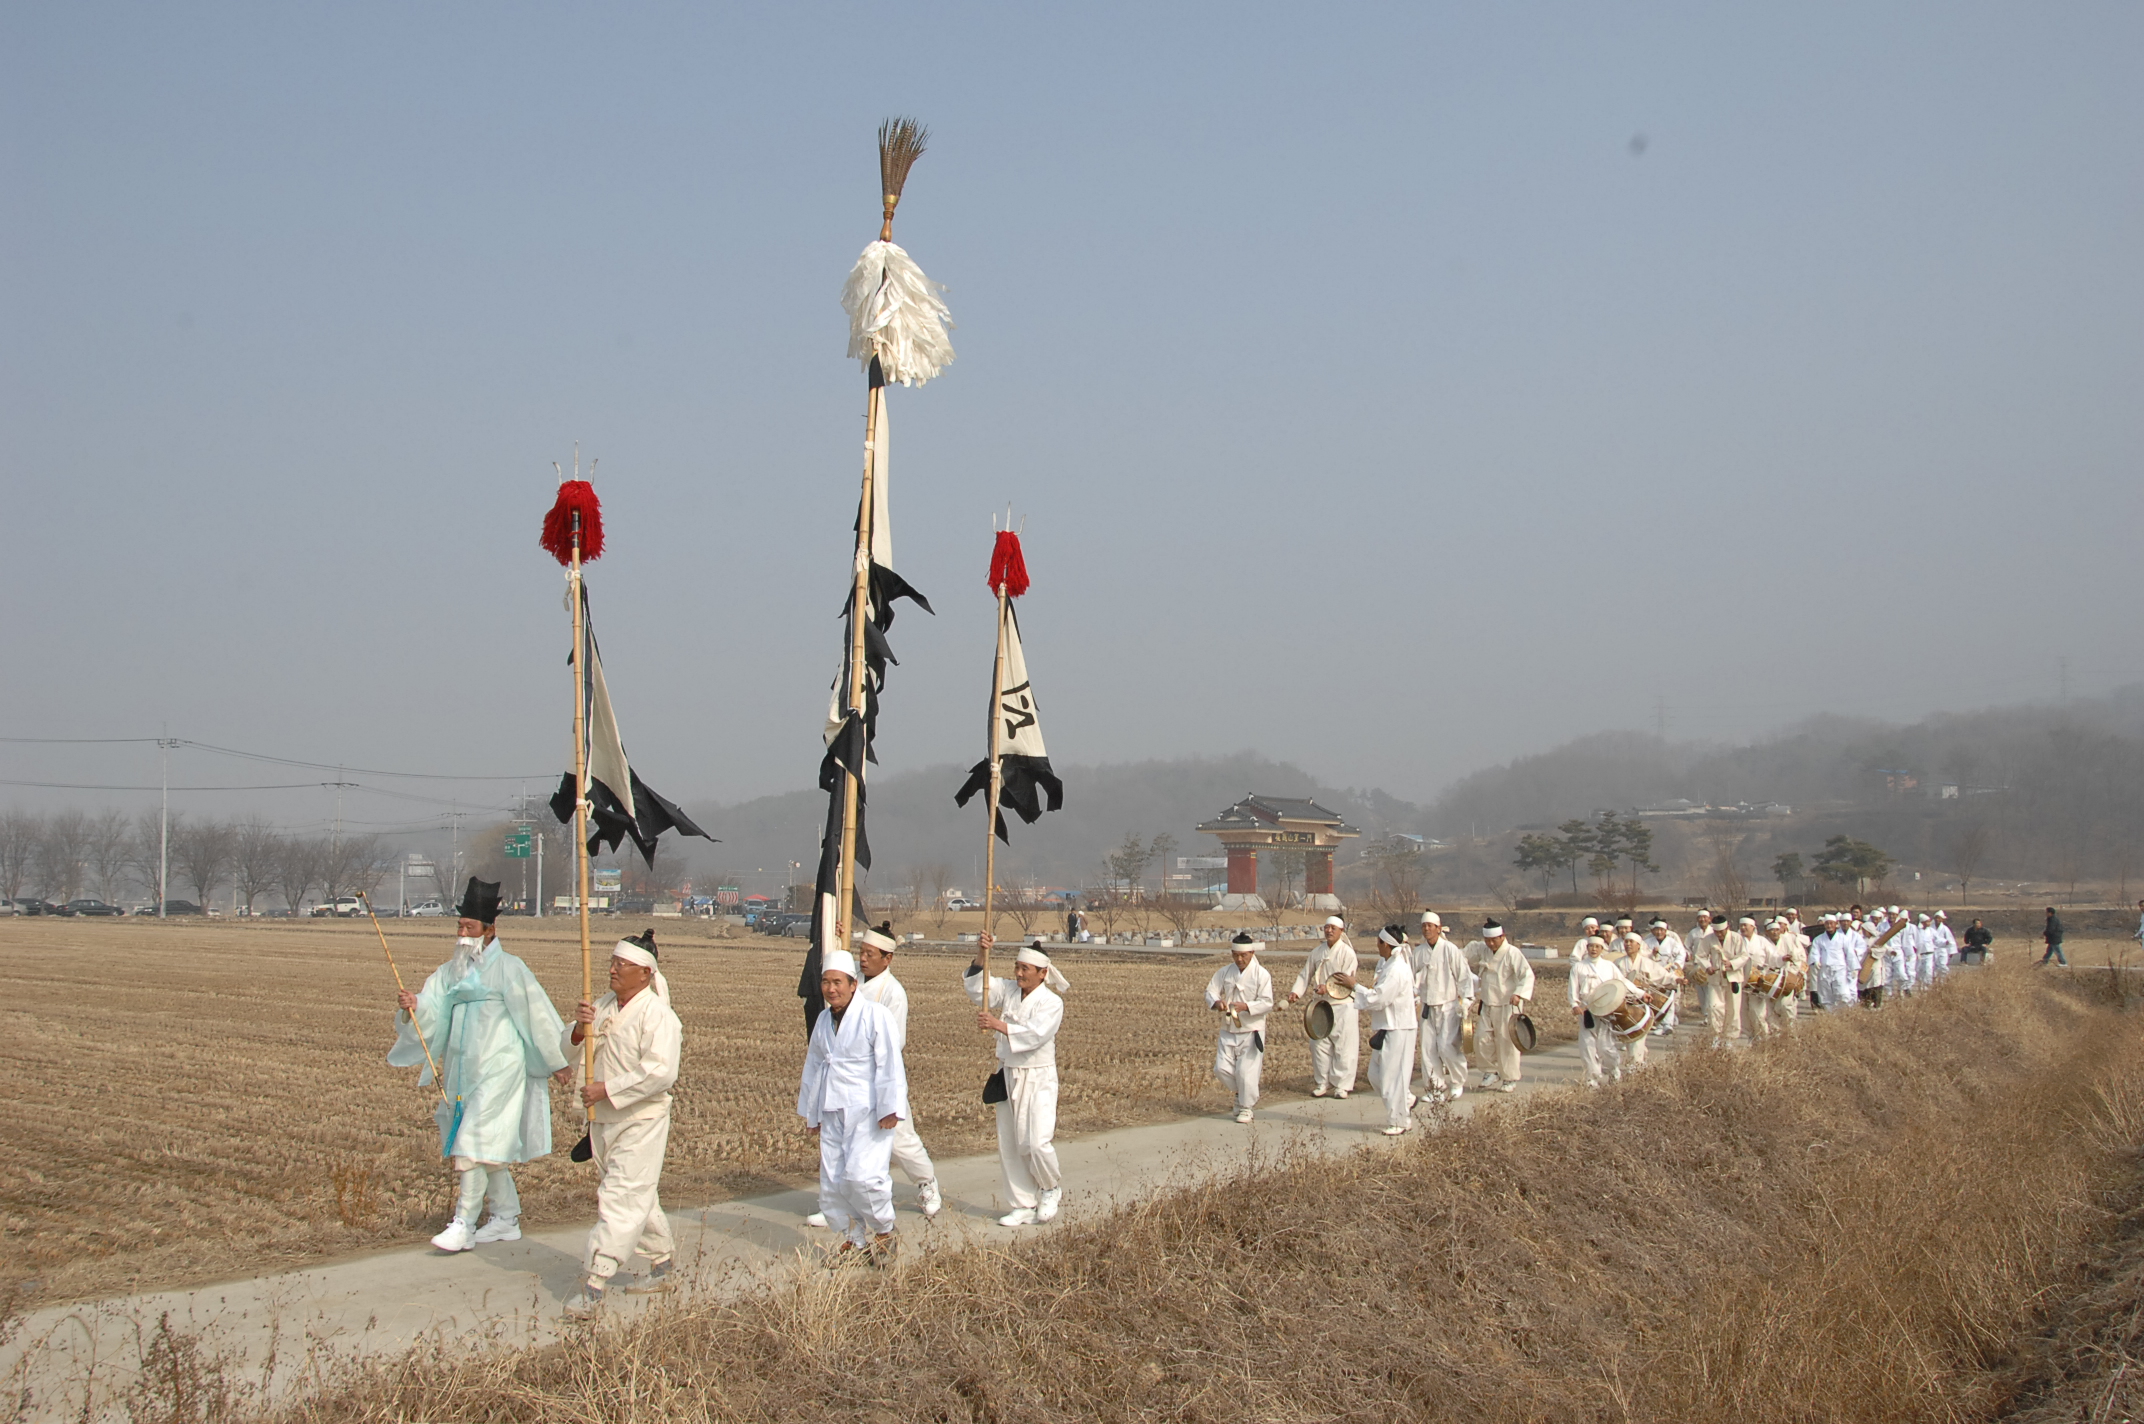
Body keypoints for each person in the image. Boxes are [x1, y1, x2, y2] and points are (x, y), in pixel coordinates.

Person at [390, 877, 569, 1254]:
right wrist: (415, 1005)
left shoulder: (509, 968)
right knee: (483, 1145)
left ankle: (463, 1224)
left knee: (471, 1142)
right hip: (462, 1069)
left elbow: (536, 1013)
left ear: (490, 930)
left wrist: (558, 1060)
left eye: (469, 927)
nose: (462, 933)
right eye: (459, 926)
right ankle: (505, 1218)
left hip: (500, 1067)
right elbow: (432, 1003)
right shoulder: (451, 971)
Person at [563, 929, 683, 1315]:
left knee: (621, 1195)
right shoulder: (601, 1006)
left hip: (640, 1118)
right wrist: (581, 1029)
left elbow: (660, 1072)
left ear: (645, 973)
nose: (612, 970)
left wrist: (608, 1089)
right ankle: (661, 1261)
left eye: (622, 965)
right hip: (604, 1120)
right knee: (635, 1194)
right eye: (613, 963)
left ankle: (595, 1279)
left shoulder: (658, 1015)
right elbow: (567, 1045)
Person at [797, 948, 909, 1263]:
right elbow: (815, 1064)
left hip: (868, 1111)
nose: (831, 989)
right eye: (826, 983)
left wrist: (890, 1107)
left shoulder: (875, 1016)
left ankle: (885, 1232)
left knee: (863, 1176)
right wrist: (811, 1110)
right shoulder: (822, 1019)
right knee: (833, 1180)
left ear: (852, 984)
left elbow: (889, 1063)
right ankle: (853, 1239)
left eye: (837, 982)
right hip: (833, 1109)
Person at [968, 934, 1067, 1227]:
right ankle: (1022, 1203)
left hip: (1038, 1076)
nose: (1019, 973)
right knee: (1010, 1143)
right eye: (1017, 967)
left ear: (1042, 973)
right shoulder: (1010, 990)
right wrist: (982, 953)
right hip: (1008, 1072)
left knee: (1035, 1141)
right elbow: (980, 989)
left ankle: (1050, 1187)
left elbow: (1036, 1035)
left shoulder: (1052, 1003)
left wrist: (998, 1024)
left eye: (1026, 969)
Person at [853, 924, 942, 1218]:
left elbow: (894, 1042)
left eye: (870, 954)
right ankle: (847, 1201)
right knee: (850, 1140)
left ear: (887, 958)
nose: (863, 959)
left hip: (883, 1076)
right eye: (861, 952)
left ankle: (926, 1182)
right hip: (850, 1077)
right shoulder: (851, 981)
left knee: (899, 1139)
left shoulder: (893, 992)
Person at [1336, 926, 1419, 1135]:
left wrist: (1355, 986)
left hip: (1399, 1028)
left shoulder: (1397, 970)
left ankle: (1399, 1120)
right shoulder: (1387, 965)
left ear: (1386, 944)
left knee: (1393, 1076)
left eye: (1379, 943)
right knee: (1376, 1075)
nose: (1377, 947)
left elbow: (1378, 998)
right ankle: (1405, 1101)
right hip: (1388, 1027)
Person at [1286, 915, 1360, 1098]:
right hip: (1321, 1005)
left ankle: (1342, 1085)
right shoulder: (1317, 952)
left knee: (1344, 1046)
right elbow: (1306, 974)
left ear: (1341, 931)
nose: (1328, 931)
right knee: (1318, 1044)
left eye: (1333, 928)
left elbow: (1346, 981)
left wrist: (1327, 988)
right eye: (1326, 927)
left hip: (1343, 1005)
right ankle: (1322, 1082)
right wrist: (1297, 991)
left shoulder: (1347, 953)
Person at [1206, 932, 1274, 1123]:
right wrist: (1217, 1002)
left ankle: (1246, 1107)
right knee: (1221, 1069)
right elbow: (1210, 990)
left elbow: (1267, 1002)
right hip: (1228, 1028)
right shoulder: (1225, 972)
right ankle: (1240, 1093)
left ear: (1252, 953)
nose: (1239, 959)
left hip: (1251, 1029)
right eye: (1236, 955)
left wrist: (1247, 1007)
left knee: (1246, 1072)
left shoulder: (1262, 975)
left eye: (1243, 955)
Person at [1469, 920, 1534, 1092]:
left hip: (1508, 1004)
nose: (1490, 944)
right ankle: (1490, 1071)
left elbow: (1526, 975)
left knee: (1507, 1042)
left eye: (1493, 940)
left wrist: (1518, 993)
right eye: (1487, 940)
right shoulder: (1484, 950)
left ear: (1502, 937)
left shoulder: (1513, 953)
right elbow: (1464, 953)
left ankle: (1509, 1077)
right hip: (1488, 1002)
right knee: (1481, 1038)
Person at [1412, 911, 1470, 1104]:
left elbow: (1463, 976)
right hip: (1428, 1007)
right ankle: (1435, 1087)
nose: (1427, 929)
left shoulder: (1450, 950)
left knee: (1447, 1046)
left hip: (1448, 1006)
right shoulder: (1418, 952)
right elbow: (1412, 979)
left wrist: (1466, 1000)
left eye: (1431, 925)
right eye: (1424, 926)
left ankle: (1457, 1081)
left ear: (1439, 928)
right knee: (1428, 1049)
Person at [1568, 935, 1634, 1087]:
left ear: (1602, 949)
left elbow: (1622, 983)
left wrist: (1641, 994)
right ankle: (1592, 1077)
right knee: (1587, 1044)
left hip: (1605, 1010)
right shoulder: (1578, 967)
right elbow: (1573, 988)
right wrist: (1574, 1004)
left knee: (1605, 1045)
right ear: (1587, 948)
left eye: (1597, 947)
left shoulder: (1609, 966)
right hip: (1586, 1010)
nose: (1594, 949)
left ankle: (1613, 1069)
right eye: (1591, 946)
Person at [1646, 917, 1686, 1034]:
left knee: (1669, 999)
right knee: (1655, 999)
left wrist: (1675, 966)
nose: (1659, 932)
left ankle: (1668, 1024)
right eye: (1657, 930)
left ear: (1665, 931)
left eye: (1661, 930)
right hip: (1654, 974)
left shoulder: (1673, 943)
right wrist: (1651, 955)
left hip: (1669, 974)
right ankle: (1657, 1023)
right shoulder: (1647, 942)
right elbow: (1643, 955)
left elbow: (1681, 955)